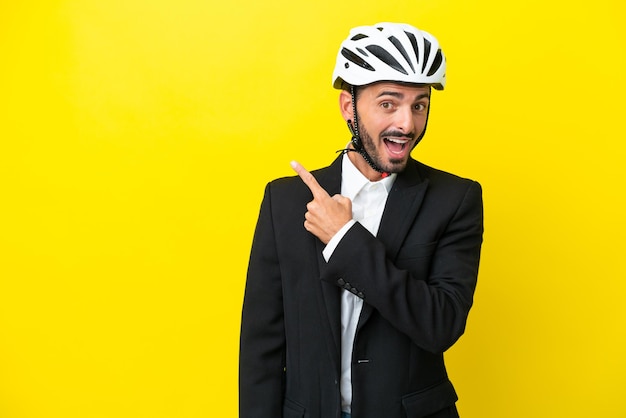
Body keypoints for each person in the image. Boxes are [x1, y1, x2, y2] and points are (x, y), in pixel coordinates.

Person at [239, 22, 483, 418]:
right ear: (348, 107)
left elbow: (441, 324)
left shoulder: (455, 200)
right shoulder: (284, 200)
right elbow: (261, 347)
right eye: (389, 103)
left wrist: (344, 239)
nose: (407, 124)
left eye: (419, 104)